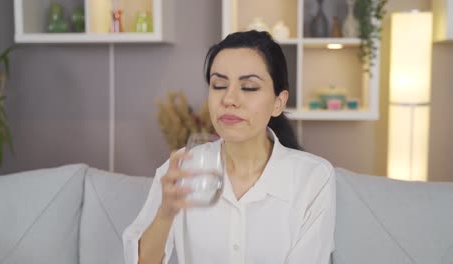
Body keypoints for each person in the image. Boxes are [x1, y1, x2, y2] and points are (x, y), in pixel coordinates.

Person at [123, 30, 336, 264]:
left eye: (249, 87)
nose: (229, 99)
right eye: (219, 85)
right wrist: (165, 214)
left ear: (278, 103)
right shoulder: (183, 167)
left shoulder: (313, 178)